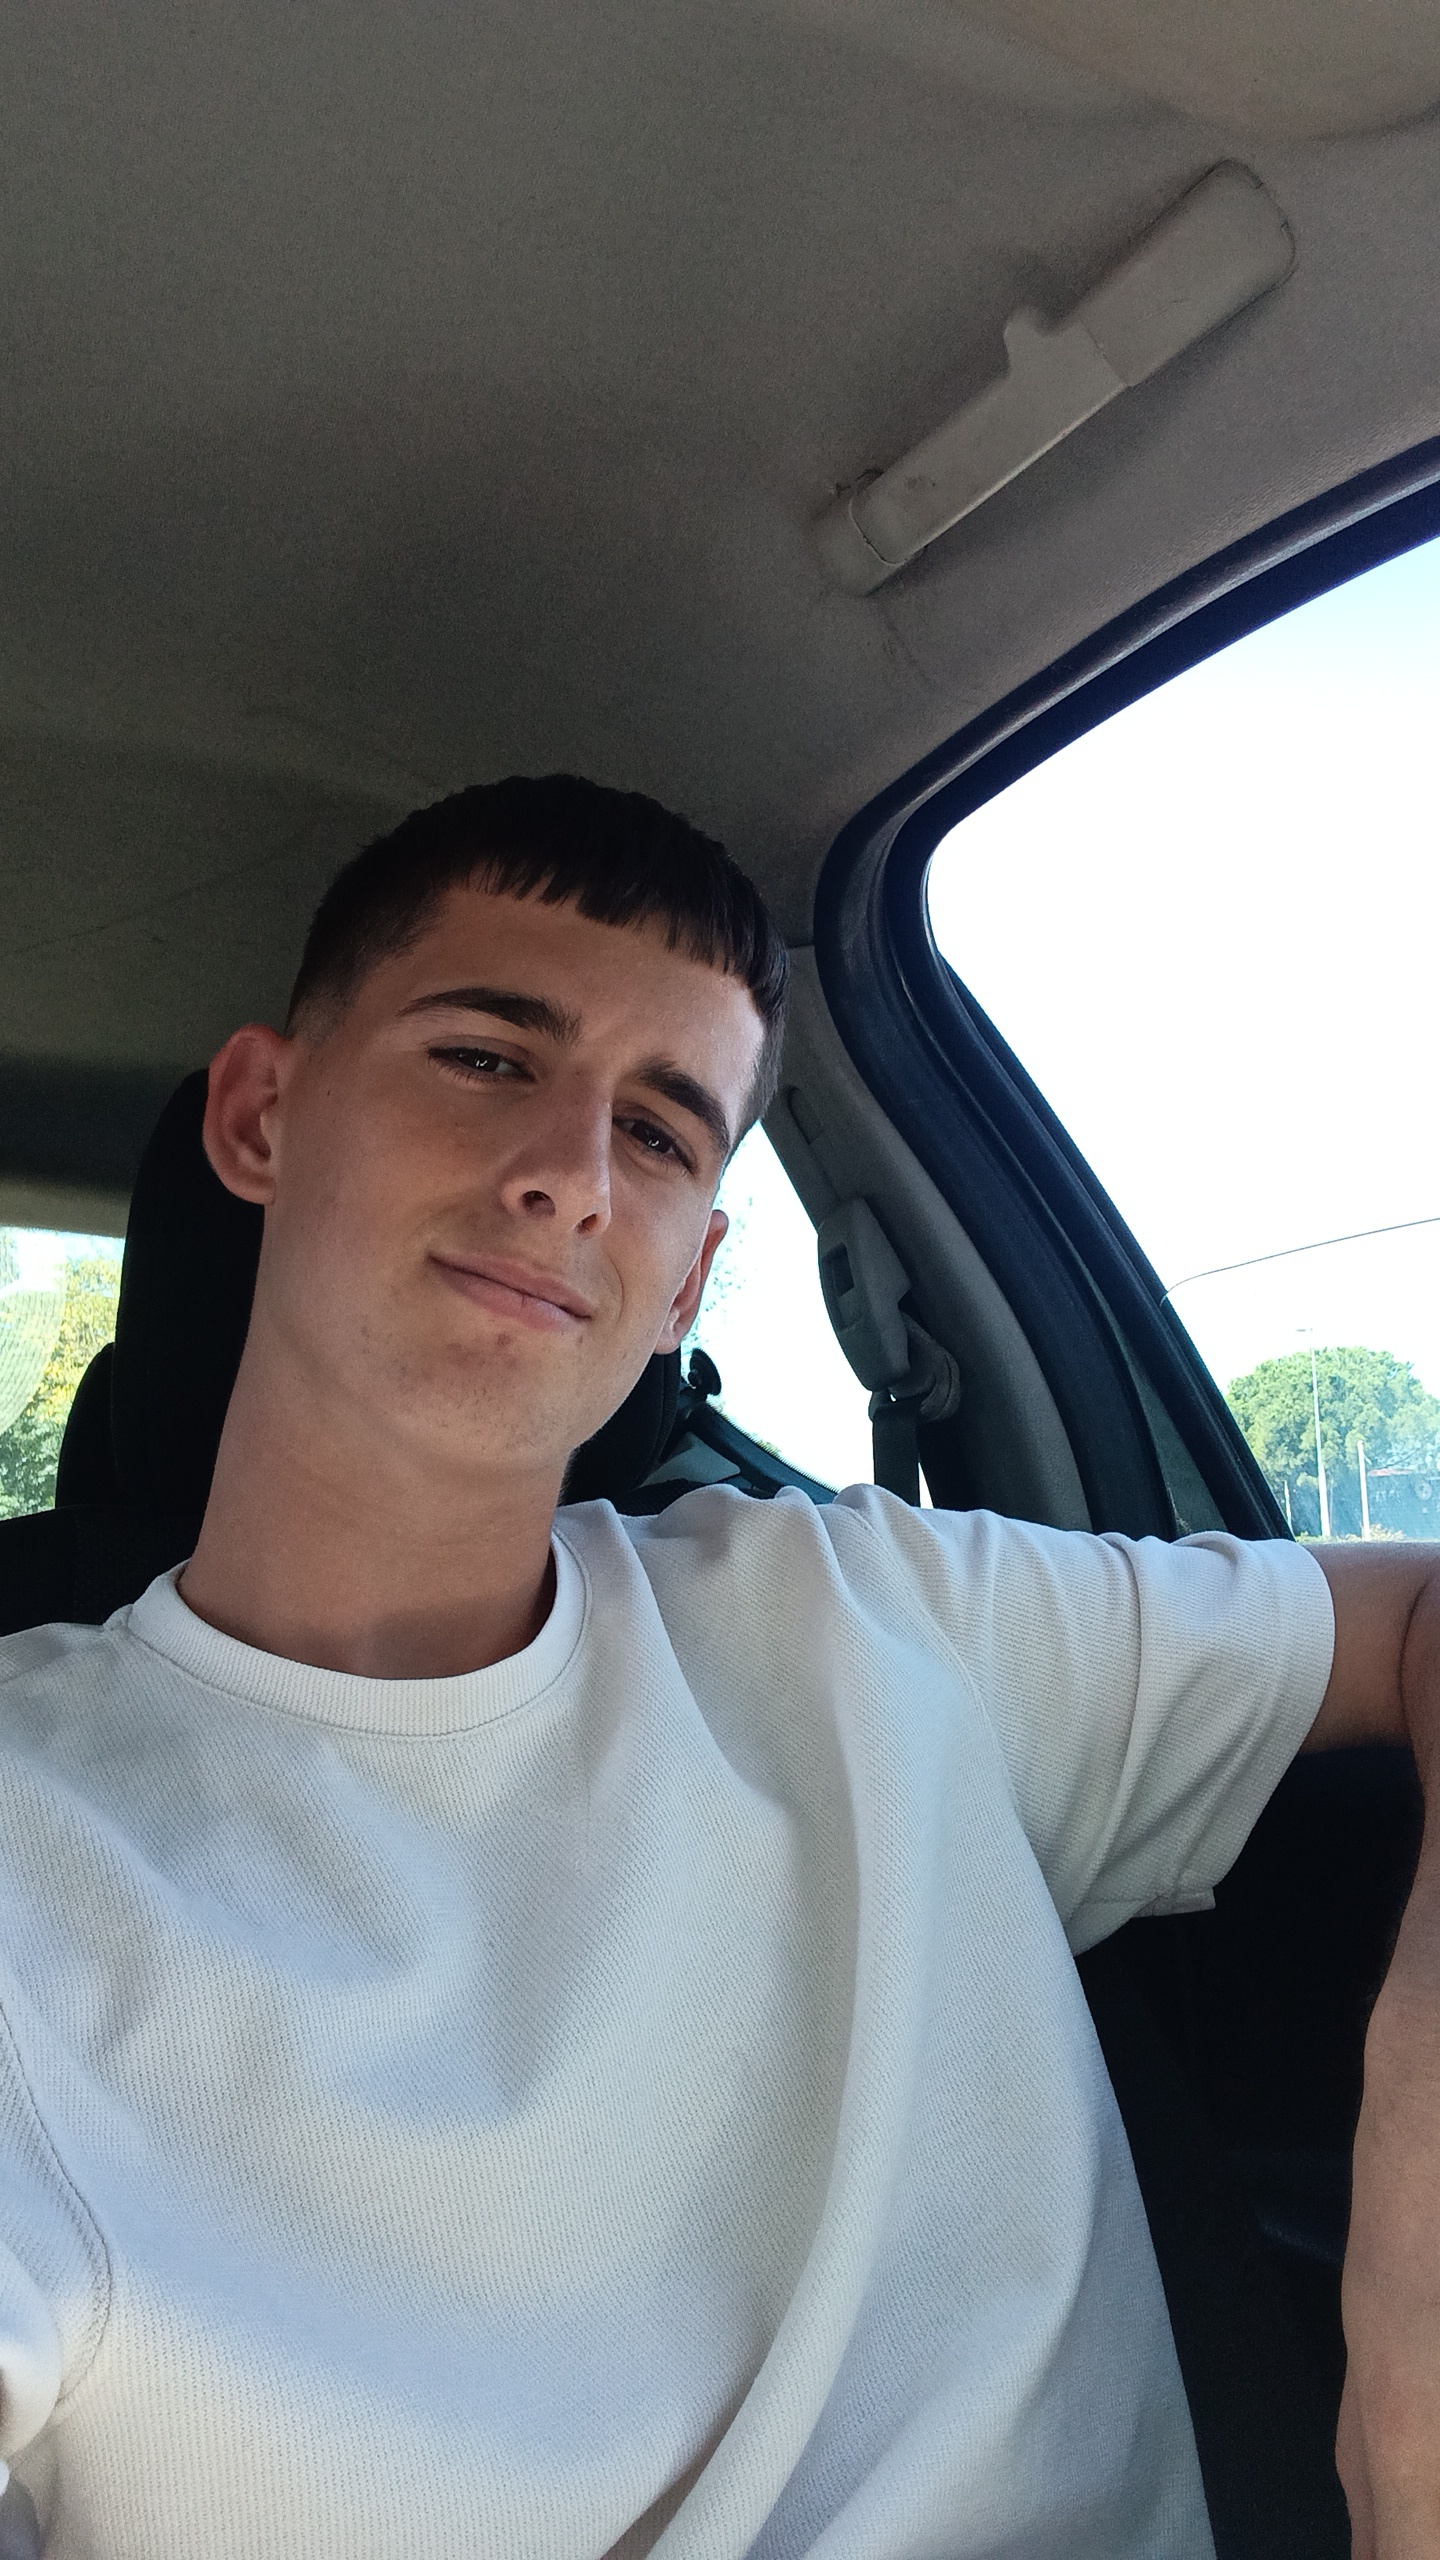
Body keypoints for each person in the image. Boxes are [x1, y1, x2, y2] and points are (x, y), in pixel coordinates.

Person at [0, 775, 1434, 2560]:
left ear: (688, 1286)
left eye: (665, 1135)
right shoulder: (34, 1837)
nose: (572, 1178)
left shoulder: (872, 1610)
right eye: (486, 1058)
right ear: (261, 1116)